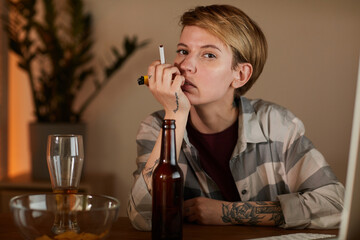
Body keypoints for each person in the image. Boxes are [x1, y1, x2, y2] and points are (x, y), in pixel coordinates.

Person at [127, 4, 344, 231]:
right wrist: (175, 114)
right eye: (183, 51)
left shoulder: (276, 125)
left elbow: (335, 204)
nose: (186, 66)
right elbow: (143, 217)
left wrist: (227, 213)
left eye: (209, 55)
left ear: (240, 75)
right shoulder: (155, 127)